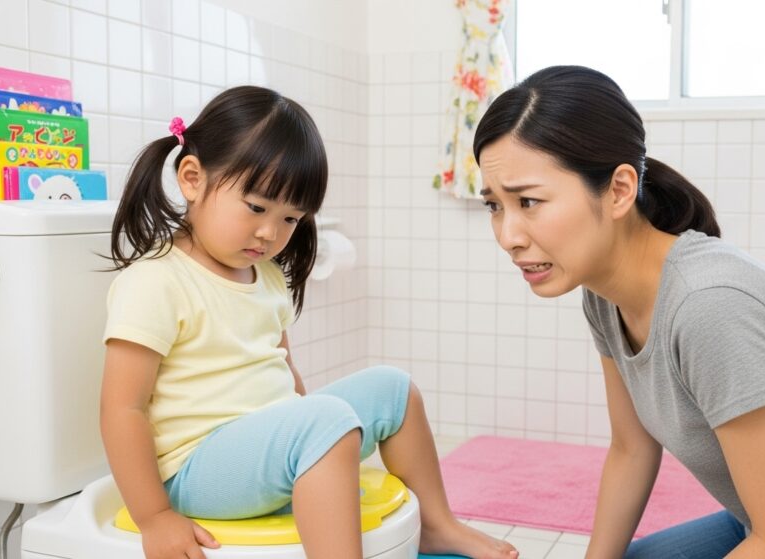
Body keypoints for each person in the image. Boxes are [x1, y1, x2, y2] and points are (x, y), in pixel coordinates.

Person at [473, 66, 765, 559]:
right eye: (494, 206)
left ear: (618, 190)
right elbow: (632, 449)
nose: (509, 236)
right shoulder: (601, 292)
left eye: (529, 201)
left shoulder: (709, 306)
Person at [100, 85, 518, 559]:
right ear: (192, 179)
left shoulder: (266, 275)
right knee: (325, 421)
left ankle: (436, 525)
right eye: (257, 207)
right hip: (197, 471)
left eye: (291, 219)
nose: (270, 232)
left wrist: (314, 446)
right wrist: (154, 516)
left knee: (394, 389)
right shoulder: (156, 281)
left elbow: (283, 371)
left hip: (261, 451)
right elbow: (122, 409)